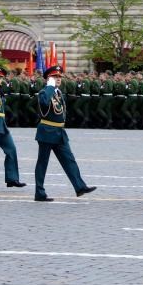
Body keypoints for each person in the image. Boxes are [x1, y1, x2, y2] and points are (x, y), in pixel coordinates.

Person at [33, 65, 97, 201]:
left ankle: (79, 186)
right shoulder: (44, 92)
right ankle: (39, 192)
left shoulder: (58, 93)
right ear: (48, 79)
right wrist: (50, 87)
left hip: (59, 132)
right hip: (47, 131)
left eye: (59, 77)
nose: (58, 79)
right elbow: (44, 104)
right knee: (42, 163)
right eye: (55, 77)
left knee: (69, 160)